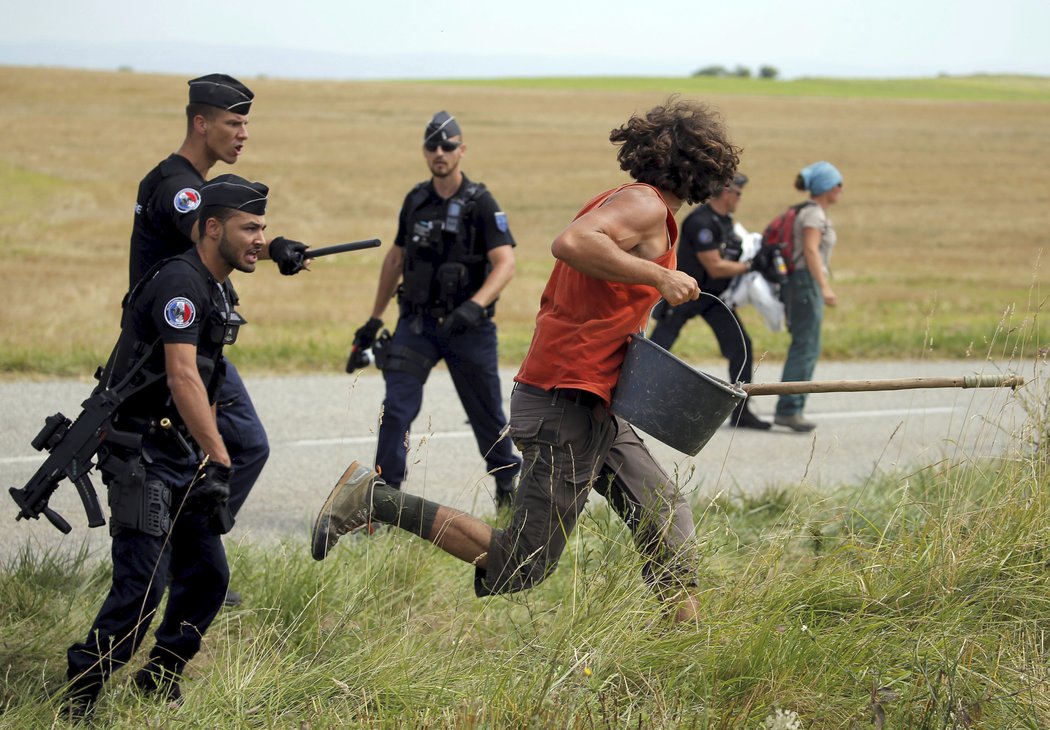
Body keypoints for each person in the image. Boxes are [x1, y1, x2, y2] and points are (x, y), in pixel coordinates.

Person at [315, 98, 740, 623]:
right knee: (524, 563)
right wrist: (660, 277)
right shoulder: (646, 206)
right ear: (701, 167)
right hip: (566, 400)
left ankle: (684, 649)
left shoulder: (637, 204)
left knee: (662, 510)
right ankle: (374, 499)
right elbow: (571, 242)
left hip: (597, 399)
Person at [65, 175, 272, 719]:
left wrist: (206, 457)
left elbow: (203, 380)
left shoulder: (217, 285)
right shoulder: (181, 284)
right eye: (249, 227)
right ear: (211, 228)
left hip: (177, 452)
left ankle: (159, 677)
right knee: (141, 591)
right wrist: (222, 457)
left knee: (207, 577)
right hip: (140, 455)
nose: (259, 239)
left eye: (262, 228)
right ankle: (79, 693)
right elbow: (183, 378)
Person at [130, 74, 309, 604]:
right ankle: (186, 564)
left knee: (231, 448)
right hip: (167, 355)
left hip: (190, 348)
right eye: (234, 122)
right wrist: (273, 246)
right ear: (201, 122)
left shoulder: (193, 181)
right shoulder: (177, 186)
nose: (244, 134)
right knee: (239, 445)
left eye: (247, 123)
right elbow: (212, 227)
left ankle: (188, 564)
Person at [348, 111, 521, 509]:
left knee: (488, 417)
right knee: (396, 410)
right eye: (432, 146)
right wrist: (374, 320)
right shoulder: (416, 200)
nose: (439, 153)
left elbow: (505, 263)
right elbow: (395, 259)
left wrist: (475, 308)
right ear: (425, 152)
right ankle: (385, 500)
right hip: (417, 325)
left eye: (448, 146)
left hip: (468, 329)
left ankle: (507, 484)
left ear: (462, 150)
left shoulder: (481, 202)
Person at [649, 172, 775, 429]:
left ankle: (742, 412)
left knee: (742, 347)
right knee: (657, 350)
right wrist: (751, 266)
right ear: (726, 192)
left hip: (712, 297)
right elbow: (715, 266)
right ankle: (631, 397)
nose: (740, 198)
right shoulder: (701, 222)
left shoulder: (725, 222)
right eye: (738, 194)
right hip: (685, 293)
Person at [773, 161, 844, 432]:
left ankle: (791, 406)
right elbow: (812, 251)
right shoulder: (814, 215)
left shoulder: (808, 211)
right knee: (806, 346)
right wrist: (824, 286)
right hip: (805, 283)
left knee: (805, 345)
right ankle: (790, 409)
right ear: (827, 187)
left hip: (800, 282)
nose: (841, 189)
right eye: (838, 184)